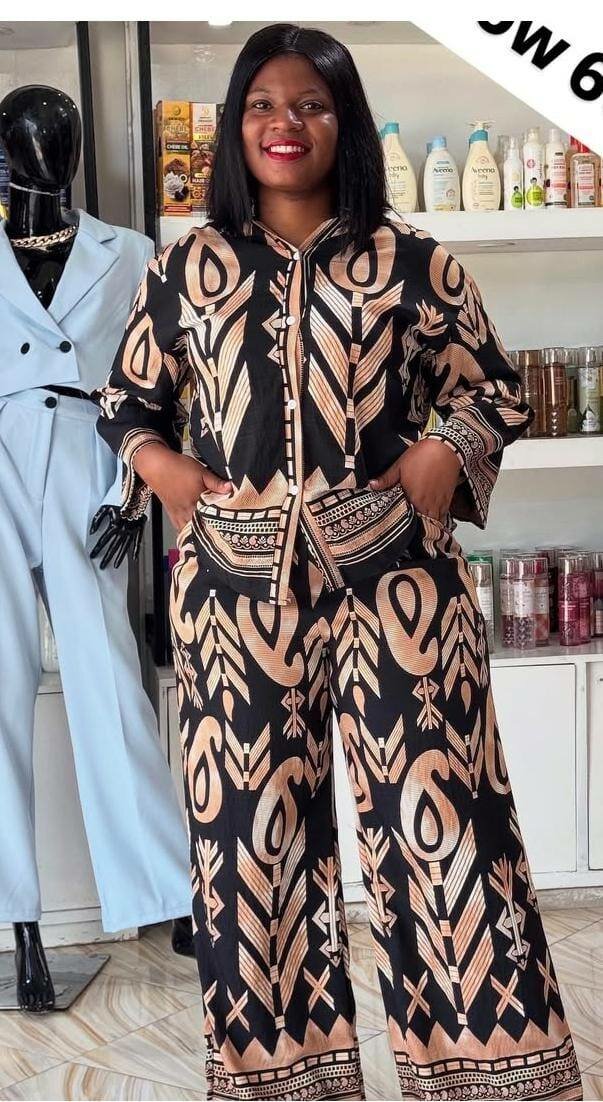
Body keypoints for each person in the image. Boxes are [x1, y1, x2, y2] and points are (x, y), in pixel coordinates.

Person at [96, 23, 582, 1102]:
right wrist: (165, 469)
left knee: (447, 829)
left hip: (399, 585)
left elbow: (493, 390)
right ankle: (283, 1081)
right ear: (237, 126)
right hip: (234, 597)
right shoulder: (186, 268)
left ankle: (488, 1074)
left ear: (345, 123)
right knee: (250, 848)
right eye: (263, 105)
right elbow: (126, 401)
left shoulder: (415, 261)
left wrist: (441, 453)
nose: (286, 124)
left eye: (311, 105)